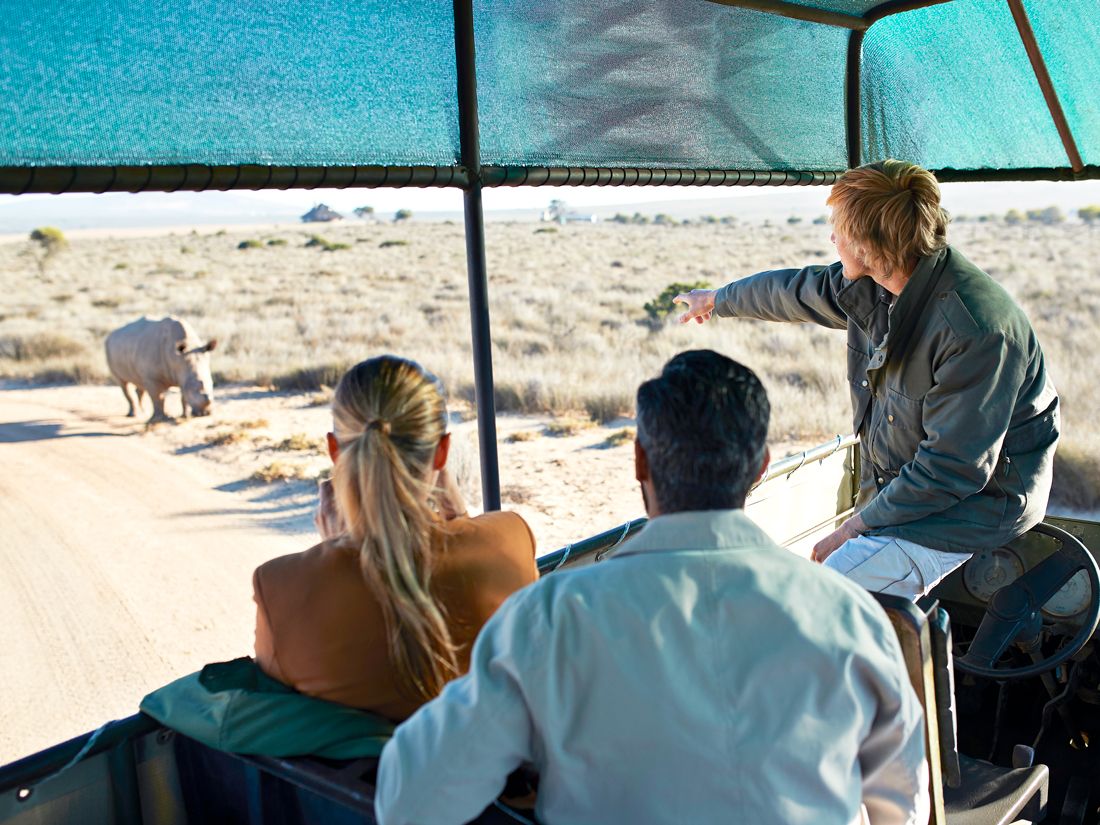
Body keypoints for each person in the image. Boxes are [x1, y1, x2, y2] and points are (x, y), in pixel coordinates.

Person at [375, 350, 928, 825]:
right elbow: (903, 806)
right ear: (760, 467)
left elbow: (413, 800)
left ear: (640, 460)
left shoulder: (552, 618)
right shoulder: (849, 616)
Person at [675, 160, 1059, 600]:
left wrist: (856, 526)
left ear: (868, 244)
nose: (832, 238)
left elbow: (952, 469)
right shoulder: (879, 284)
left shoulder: (974, 330)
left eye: (838, 228)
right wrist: (717, 299)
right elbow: (796, 291)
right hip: (911, 490)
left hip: (976, 506)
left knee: (824, 599)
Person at [252, 355, 539, 720]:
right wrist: (460, 517)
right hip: (498, 775)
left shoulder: (280, 586)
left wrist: (332, 551)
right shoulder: (510, 538)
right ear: (442, 452)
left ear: (335, 451)